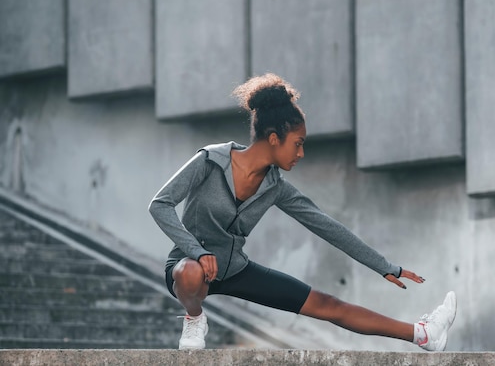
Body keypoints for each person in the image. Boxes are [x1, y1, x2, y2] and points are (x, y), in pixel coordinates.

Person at [149, 73, 456, 351]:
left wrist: (384, 266)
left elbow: (327, 227)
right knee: (191, 272)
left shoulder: (276, 187)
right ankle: (194, 317)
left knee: (328, 304)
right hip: (187, 268)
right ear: (273, 138)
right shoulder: (210, 161)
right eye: (297, 144)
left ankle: (423, 334)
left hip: (235, 269)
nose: (301, 153)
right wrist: (198, 252)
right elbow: (160, 204)